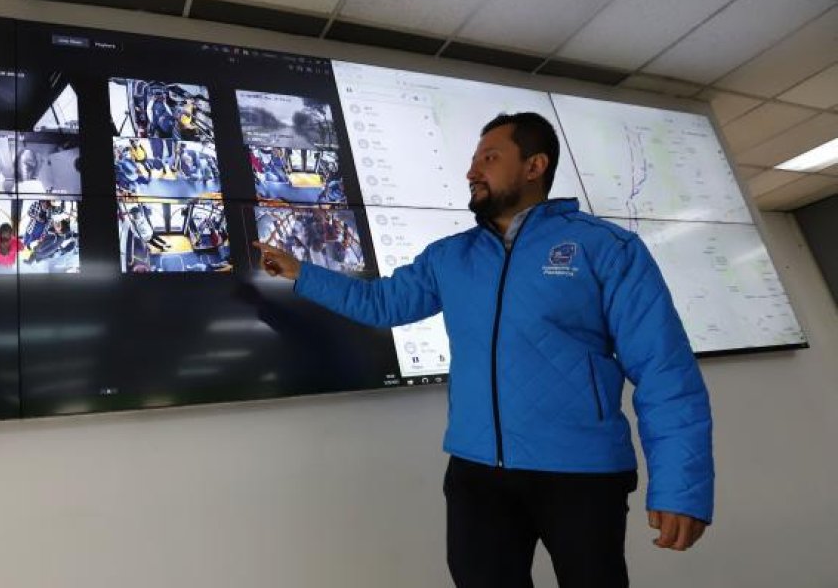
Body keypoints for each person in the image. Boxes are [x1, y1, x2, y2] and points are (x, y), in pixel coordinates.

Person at [253, 112, 713, 587]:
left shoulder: (606, 248)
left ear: (535, 166)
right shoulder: (452, 256)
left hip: (581, 474)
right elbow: (382, 303)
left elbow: (665, 370)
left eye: (489, 158)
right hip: (478, 476)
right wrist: (300, 273)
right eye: (473, 160)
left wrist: (682, 489)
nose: (473, 171)